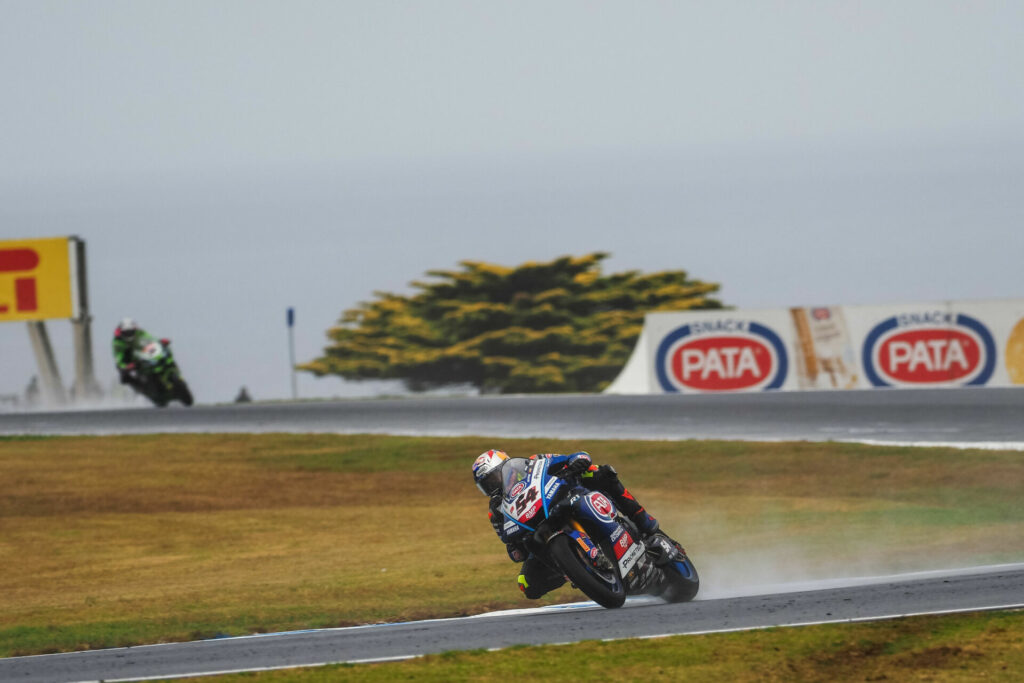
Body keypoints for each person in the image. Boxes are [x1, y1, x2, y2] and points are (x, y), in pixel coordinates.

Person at [472, 448, 659, 600]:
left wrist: (577, 461)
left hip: (570, 497)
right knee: (526, 583)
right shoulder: (496, 511)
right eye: (485, 485)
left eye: (493, 478)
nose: (492, 487)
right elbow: (511, 546)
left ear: (505, 467)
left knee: (599, 472)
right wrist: (516, 549)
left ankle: (643, 520)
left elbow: (574, 456)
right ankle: (575, 571)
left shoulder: (534, 463)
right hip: (541, 532)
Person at [112, 318, 169, 391]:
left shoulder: (139, 333)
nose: (129, 334)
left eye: (130, 332)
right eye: (126, 332)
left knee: (160, 354)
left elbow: (150, 338)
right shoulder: (117, 343)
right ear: (122, 332)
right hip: (130, 361)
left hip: (143, 354)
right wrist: (126, 366)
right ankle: (141, 389)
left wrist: (159, 342)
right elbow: (119, 358)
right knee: (125, 376)